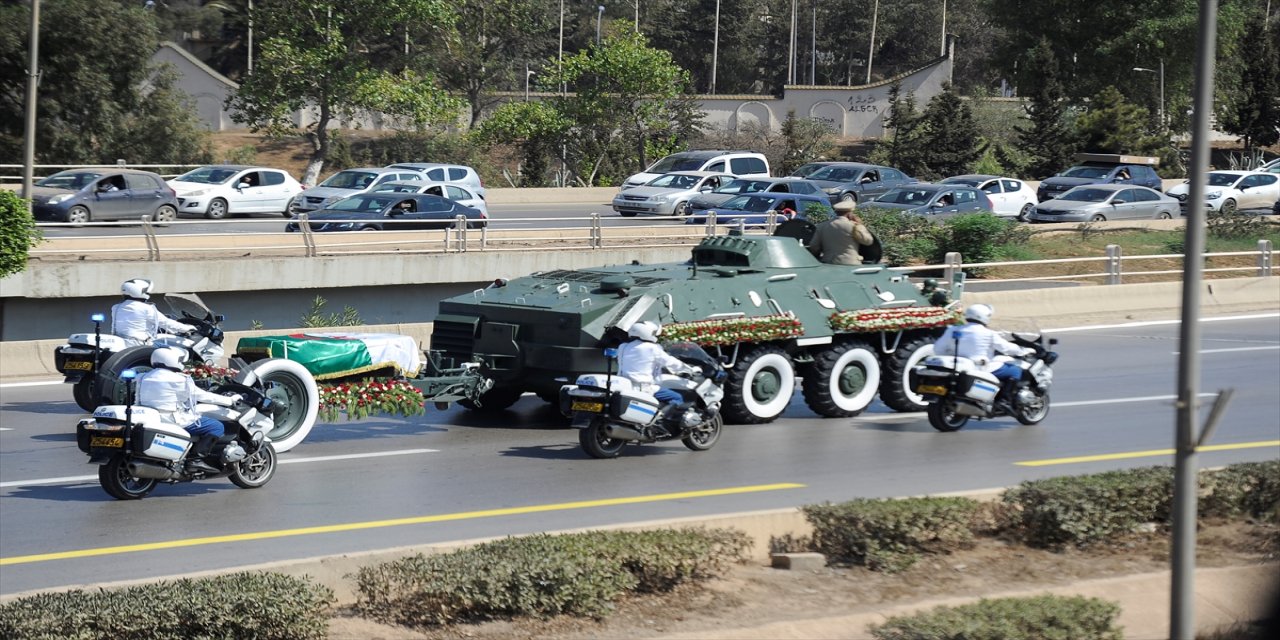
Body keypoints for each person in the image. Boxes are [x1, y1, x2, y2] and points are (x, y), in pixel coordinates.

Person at [135, 347, 239, 474]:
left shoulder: (143, 377)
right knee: (216, 427)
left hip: (152, 417)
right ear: (170, 360)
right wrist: (229, 401)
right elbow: (201, 396)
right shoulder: (178, 379)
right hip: (174, 419)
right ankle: (195, 460)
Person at [932, 304, 1032, 411]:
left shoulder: (952, 330)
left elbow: (938, 349)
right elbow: (1006, 348)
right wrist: (1022, 351)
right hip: (980, 368)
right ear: (984, 317)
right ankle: (1004, 400)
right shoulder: (988, 333)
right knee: (1015, 371)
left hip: (958, 366)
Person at [617, 321, 693, 435]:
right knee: (677, 398)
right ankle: (659, 423)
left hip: (625, 385)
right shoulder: (651, 348)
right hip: (644, 388)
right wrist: (688, 369)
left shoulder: (622, 347)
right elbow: (670, 362)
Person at [111, 278, 197, 347]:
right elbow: (165, 323)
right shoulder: (146, 308)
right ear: (140, 292)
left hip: (122, 342)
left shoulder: (116, 307)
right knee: (172, 351)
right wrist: (187, 328)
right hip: (140, 344)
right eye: (146, 291)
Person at [807, 200, 875, 266]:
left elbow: (814, 246)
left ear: (836, 212)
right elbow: (868, 241)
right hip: (850, 264)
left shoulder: (822, 226)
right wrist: (860, 226)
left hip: (828, 263)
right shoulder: (854, 226)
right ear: (849, 213)